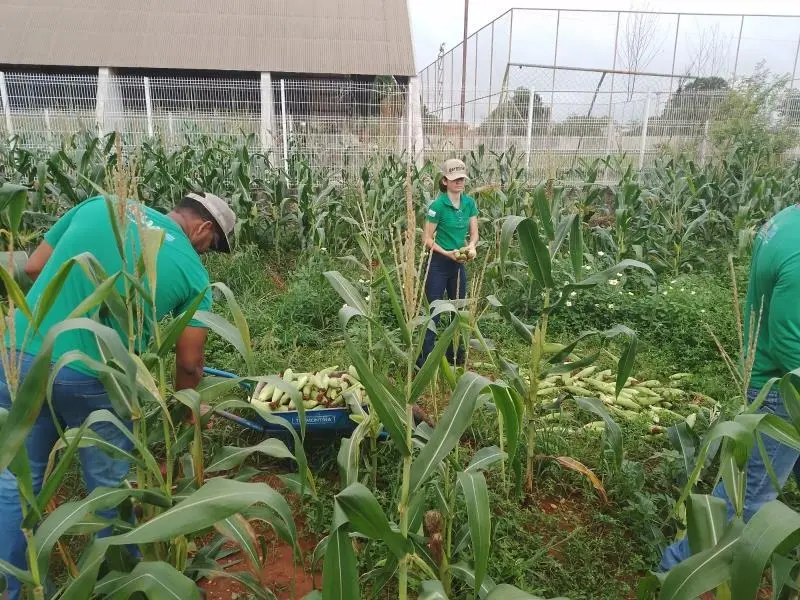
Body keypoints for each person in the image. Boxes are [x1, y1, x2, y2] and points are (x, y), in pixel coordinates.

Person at [0, 191, 235, 599]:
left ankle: (15, 587)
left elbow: (36, 267)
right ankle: (117, 583)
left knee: (16, 479)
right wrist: (186, 408)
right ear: (204, 229)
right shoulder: (196, 274)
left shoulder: (100, 204)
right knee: (109, 485)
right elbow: (190, 362)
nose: (206, 254)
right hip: (94, 372)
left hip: (18, 353)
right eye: (211, 247)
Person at [660, 204, 800, 571]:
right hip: (783, 393)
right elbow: (790, 343)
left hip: (773, 379)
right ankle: (673, 574)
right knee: (748, 499)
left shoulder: (784, 219)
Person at [417, 158, 479, 369]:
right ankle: (424, 361)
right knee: (433, 312)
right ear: (444, 180)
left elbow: (474, 234)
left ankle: (456, 357)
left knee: (458, 311)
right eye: (454, 179)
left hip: (458, 264)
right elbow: (427, 239)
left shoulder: (469, 203)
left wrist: (471, 247)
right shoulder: (437, 206)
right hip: (438, 264)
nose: (459, 182)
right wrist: (446, 253)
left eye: (462, 178)